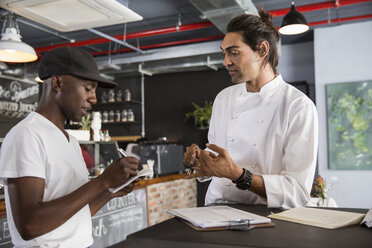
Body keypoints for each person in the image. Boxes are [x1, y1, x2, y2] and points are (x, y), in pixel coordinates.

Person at [0, 46, 139, 247]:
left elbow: (75, 214)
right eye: (88, 88)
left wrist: (109, 191)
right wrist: (102, 181)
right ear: (57, 83)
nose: (94, 98)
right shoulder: (27, 135)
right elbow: (29, 225)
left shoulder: (71, 142)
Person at [184, 10, 318, 209]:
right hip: (215, 210)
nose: (225, 61)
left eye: (234, 52)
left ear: (262, 50)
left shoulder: (298, 106)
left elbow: (297, 192)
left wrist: (239, 176)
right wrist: (199, 160)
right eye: (224, 53)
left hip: (267, 217)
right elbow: (216, 159)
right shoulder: (224, 98)